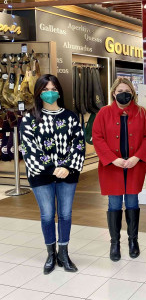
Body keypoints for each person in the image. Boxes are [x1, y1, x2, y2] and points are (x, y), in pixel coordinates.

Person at [19, 74, 85, 274]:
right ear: (38, 93)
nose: (50, 92)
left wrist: (67, 167)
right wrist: (51, 168)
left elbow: (78, 144)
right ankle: (51, 253)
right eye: (45, 89)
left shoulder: (71, 117)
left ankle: (64, 253)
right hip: (41, 176)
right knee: (47, 215)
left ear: (59, 91)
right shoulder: (30, 119)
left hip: (68, 173)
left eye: (53, 88)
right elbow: (29, 149)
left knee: (65, 214)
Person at [92, 78, 146, 262]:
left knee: (132, 202)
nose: (123, 93)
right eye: (120, 90)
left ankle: (133, 241)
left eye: (127, 90)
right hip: (113, 167)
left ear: (133, 93)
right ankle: (115, 243)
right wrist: (113, 159)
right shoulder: (103, 113)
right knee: (114, 204)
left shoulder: (142, 113)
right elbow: (97, 138)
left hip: (134, 166)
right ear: (113, 93)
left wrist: (137, 157)